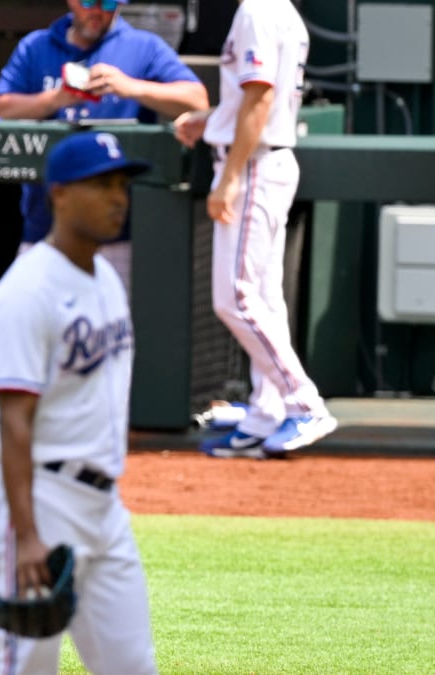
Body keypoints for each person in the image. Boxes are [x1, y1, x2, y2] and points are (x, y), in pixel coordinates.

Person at [0, 131, 156, 674]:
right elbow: (13, 419)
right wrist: (27, 536)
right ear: (59, 194)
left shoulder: (105, 278)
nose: (118, 197)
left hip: (103, 504)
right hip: (36, 499)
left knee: (132, 666)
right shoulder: (26, 292)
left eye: (122, 184)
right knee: (28, 666)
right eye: (101, 185)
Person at [173, 0, 337, 458]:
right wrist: (214, 121)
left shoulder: (258, 11)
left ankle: (304, 403)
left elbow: (261, 97)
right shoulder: (277, 9)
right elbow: (257, 96)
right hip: (264, 156)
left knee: (234, 296)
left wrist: (228, 179)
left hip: (255, 166)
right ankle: (267, 412)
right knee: (262, 298)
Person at [0, 0, 208, 295]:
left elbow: (197, 99)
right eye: (90, 2)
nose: (98, 10)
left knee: (110, 332)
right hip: (44, 228)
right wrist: (56, 99)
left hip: (116, 236)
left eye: (108, 3)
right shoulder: (37, 45)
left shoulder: (142, 46)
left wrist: (132, 87)